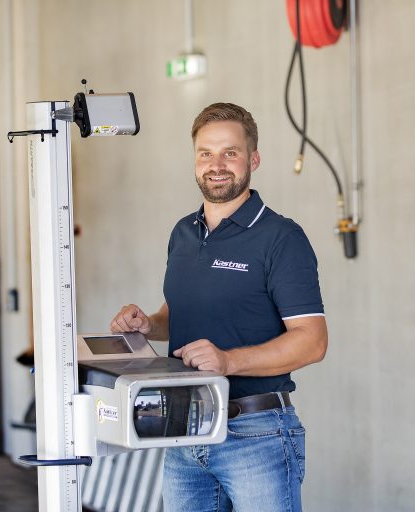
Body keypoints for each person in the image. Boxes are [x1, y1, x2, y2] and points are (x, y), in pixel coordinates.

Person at [109, 102, 327, 512]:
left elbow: (312, 342)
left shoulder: (281, 237)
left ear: (253, 159)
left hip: (256, 433)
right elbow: (176, 316)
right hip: (185, 428)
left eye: (231, 152)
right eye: (206, 153)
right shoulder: (183, 234)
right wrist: (147, 324)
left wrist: (227, 361)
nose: (217, 164)